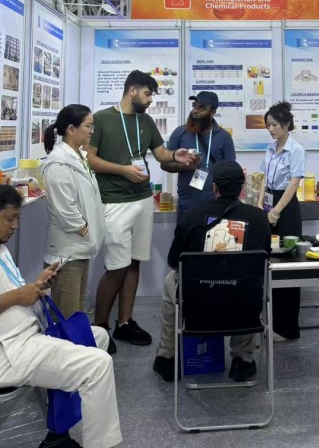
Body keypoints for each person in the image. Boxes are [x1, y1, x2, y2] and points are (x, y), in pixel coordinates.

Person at [0, 185, 121, 448]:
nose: (15, 226)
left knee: (99, 337)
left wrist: (37, 286)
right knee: (97, 364)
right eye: (10, 219)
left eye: (17, 219)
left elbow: (9, 296)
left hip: (23, 338)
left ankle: (58, 436)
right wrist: (16, 296)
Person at [88, 70, 196, 350]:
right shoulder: (102, 118)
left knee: (134, 262)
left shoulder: (145, 121)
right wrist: (123, 170)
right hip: (114, 201)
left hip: (142, 199)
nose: (150, 100)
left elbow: (160, 154)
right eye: (147, 94)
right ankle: (100, 328)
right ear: (132, 90)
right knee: (116, 267)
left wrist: (175, 155)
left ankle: (125, 322)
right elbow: (90, 159)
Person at [153, 160, 271, 383]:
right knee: (249, 283)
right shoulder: (259, 218)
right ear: (242, 187)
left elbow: (173, 261)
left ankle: (167, 356)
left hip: (198, 310)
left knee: (171, 279)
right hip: (244, 310)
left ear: (214, 187)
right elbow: (264, 262)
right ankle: (243, 359)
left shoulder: (193, 215)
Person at [41, 104, 106, 320]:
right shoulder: (58, 163)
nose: (91, 132)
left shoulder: (78, 157)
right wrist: (84, 230)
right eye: (88, 126)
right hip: (67, 251)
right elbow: (65, 208)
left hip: (80, 248)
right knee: (66, 316)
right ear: (71, 129)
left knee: (77, 313)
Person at [257, 101, 306, 341]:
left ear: (287, 124)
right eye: (268, 125)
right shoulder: (270, 148)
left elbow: (293, 184)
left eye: (274, 124)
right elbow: (264, 178)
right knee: (270, 263)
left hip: (286, 208)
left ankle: (287, 329)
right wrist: (260, 205)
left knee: (287, 266)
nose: (271, 129)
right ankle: (272, 322)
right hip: (269, 203)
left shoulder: (296, 150)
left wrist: (276, 212)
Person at [161, 91, 236, 223]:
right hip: (187, 204)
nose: (195, 111)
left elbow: (231, 171)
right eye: (194, 106)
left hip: (216, 204)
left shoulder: (224, 137)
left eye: (202, 108)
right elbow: (164, 164)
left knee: (214, 237)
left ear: (212, 112)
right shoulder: (180, 133)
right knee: (185, 236)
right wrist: (185, 166)